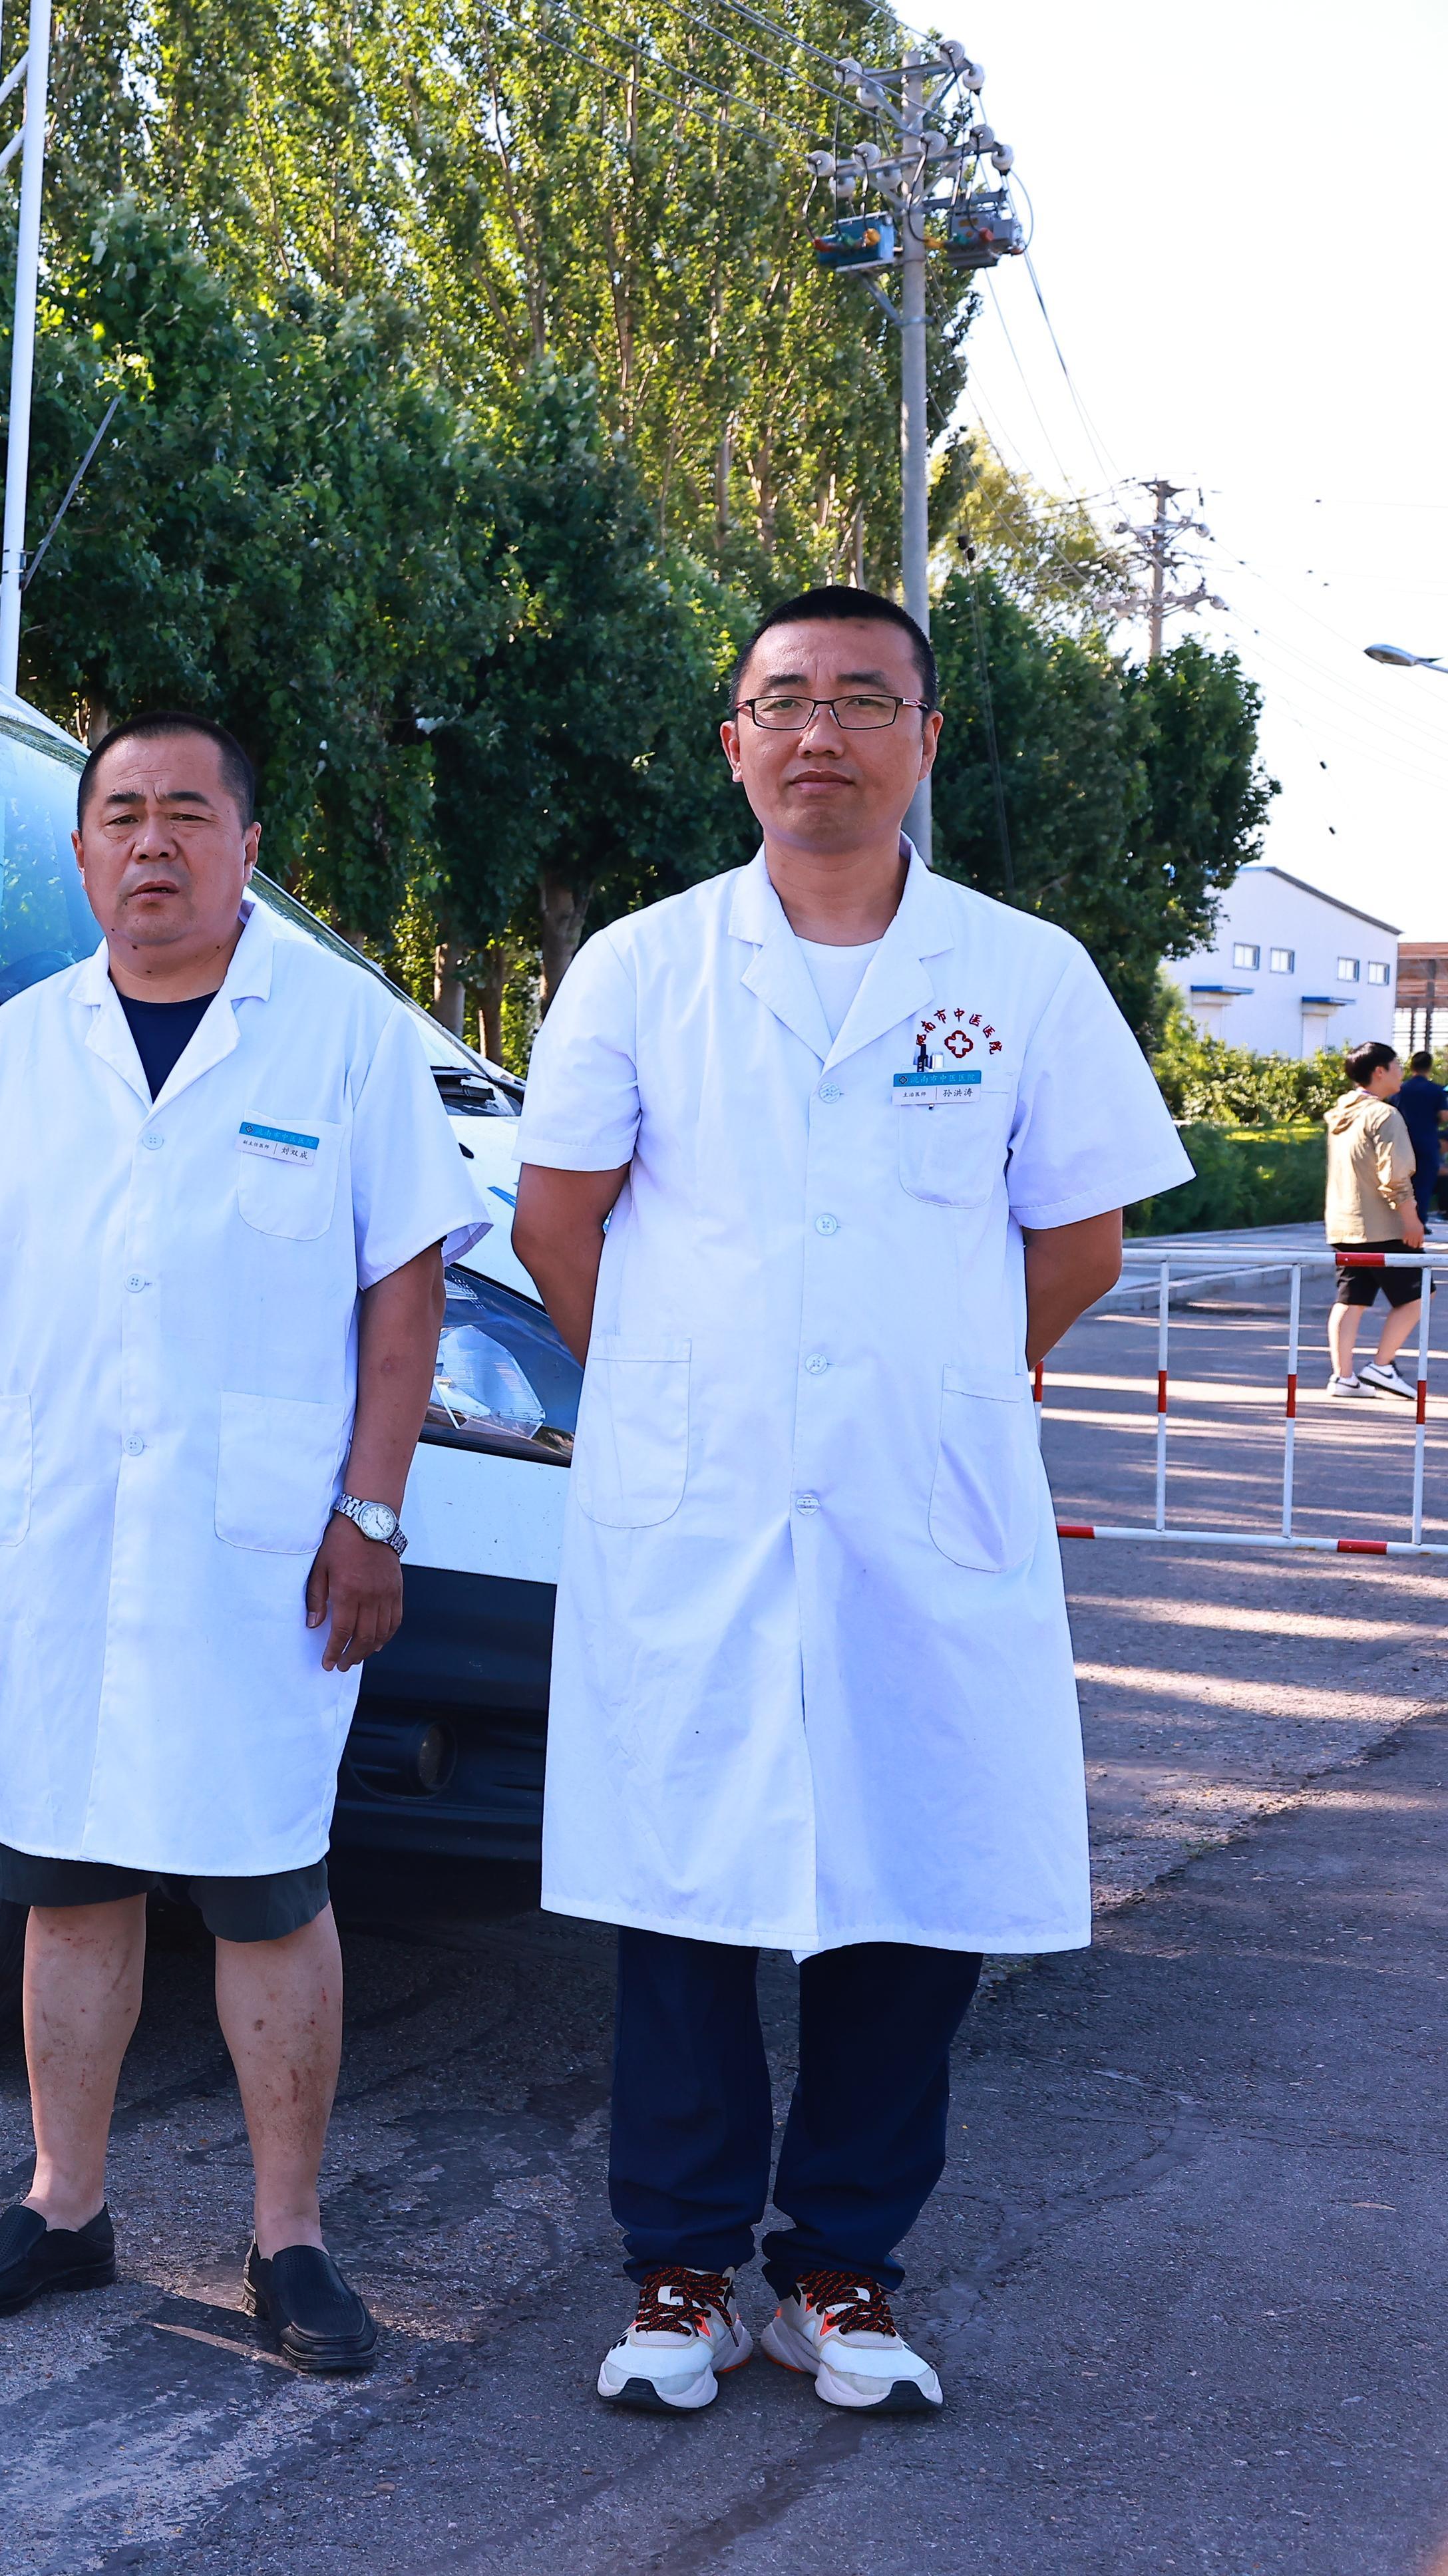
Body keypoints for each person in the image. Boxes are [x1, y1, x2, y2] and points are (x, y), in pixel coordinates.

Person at [509, 584, 1192, 2418]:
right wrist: (679, 1391)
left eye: (863, 700)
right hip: (697, 1505)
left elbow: (1078, 1241)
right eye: (785, 700)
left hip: (920, 1500)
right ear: (733, 740)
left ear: (924, 738)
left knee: (913, 1874)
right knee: (683, 1884)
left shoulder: (1020, 973)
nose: (821, 732)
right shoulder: (642, 966)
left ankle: (841, 2270)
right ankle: (677, 2271)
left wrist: (934, 1374)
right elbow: (557, 1227)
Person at [0, 711, 490, 2372]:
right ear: (81, 850)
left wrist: (372, 1509)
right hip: (61, 1535)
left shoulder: (343, 1036)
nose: (151, 843)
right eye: (120, 816)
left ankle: (289, 2237)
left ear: (245, 847)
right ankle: (63, 2204)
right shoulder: (19, 1047)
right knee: (68, 1873)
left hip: (260, 1553)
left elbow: (405, 1290)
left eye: (186, 814)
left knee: (265, 1885)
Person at [1324, 1039, 1428, 1399]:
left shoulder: (1341, 1114)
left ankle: (1343, 1377)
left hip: (1344, 1223)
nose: (1401, 1072)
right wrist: (1411, 1219)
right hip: (1383, 1225)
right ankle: (1382, 1366)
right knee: (1419, 1295)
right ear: (1380, 1071)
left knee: (1350, 1299)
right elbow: (1395, 1174)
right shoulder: (1385, 1115)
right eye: (1397, 1066)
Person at [1396, 1050, 1445, 1227]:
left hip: (1402, 1142)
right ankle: (1419, 1223)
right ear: (1429, 1067)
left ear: (1412, 1067)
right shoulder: (1436, 1091)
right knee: (1424, 1184)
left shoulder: (1400, 1089)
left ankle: (1401, 1222)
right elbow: (1444, 1115)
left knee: (1402, 1183)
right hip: (1427, 1142)